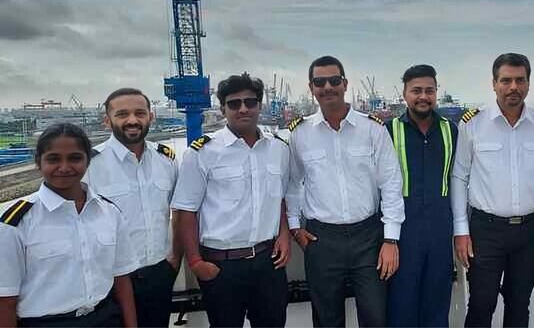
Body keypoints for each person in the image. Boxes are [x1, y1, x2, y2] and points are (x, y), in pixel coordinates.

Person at [286, 55, 404, 328]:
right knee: (327, 320)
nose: (328, 87)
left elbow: (391, 184)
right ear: (311, 87)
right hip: (321, 239)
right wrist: (294, 227)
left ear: (345, 83)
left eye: (334, 80)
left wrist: (391, 240)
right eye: (320, 82)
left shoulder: (372, 129)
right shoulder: (300, 133)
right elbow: (293, 183)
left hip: (369, 238)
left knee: (376, 317)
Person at [172, 73, 291, 328]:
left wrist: (283, 235)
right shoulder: (202, 153)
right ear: (223, 109)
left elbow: (279, 197)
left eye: (250, 102)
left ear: (260, 105)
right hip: (222, 265)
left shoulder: (278, 149)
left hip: (267, 261)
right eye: (234, 103)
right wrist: (195, 262)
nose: (243, 108)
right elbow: (185, 211)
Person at [0, 123, 139, 327]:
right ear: (39, 162)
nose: (64, 168)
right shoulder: (16, 223)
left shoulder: (109, 213)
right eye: (53, 159)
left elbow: (122, 281)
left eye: (75, 158)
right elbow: (6, 300)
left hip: (105, 318)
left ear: (87, 161)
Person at [451, 53, 534, 328]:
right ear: (494, 84)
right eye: (506, 80)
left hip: (528, 231)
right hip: (486, 230)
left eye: (520, 80)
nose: (513, 87)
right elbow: (459, 176)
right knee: (482, 303)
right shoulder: (473, 123)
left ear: (529, 84)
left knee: (519, 303)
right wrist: (461, 230)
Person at [84, 88, 180, 328]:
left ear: (151, 116)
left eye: (140, 113)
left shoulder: (166, 160)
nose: (132, 120)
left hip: (159, 273)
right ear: (107, 120)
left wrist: (174, 260)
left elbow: (178, 212)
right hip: (110, 279)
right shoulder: (90, 164)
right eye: (122, 114)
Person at [385, 64, 458, 327]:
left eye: (429, 90)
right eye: (416, 90)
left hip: (440, 233)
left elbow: (458, 181)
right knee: (401, 307)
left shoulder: (452, 130)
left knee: (438, 307)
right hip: (402, 234)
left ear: (436, 93)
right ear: (404, 94)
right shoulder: (387, 130)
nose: (423, 96)